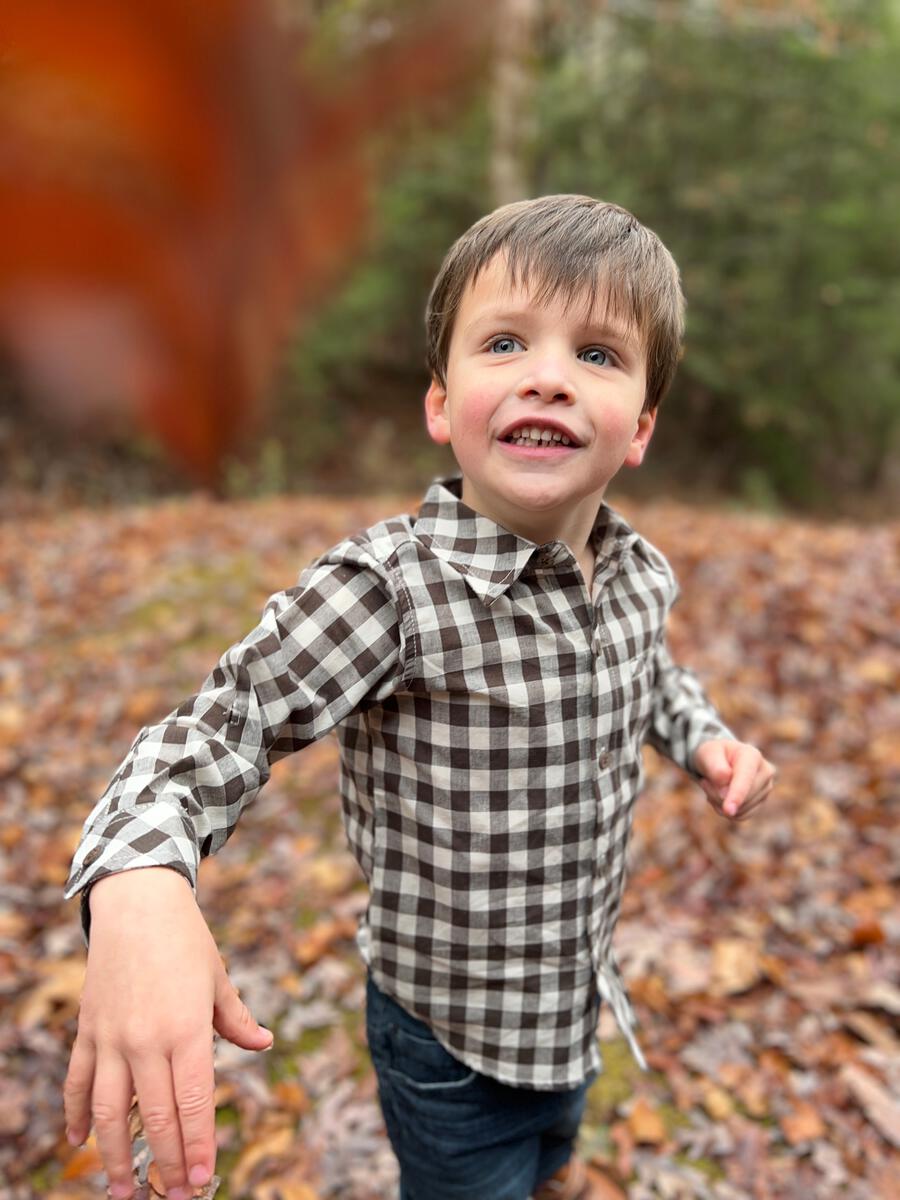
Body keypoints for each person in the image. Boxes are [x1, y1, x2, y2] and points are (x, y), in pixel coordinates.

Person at [63, 194, 775, 1200]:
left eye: (600, 356)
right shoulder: (389, 593)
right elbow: (217, 730)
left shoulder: (636, 574)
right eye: (506, 342)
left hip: (572, 1002)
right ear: (441, 405)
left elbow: (651, 672)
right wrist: (137, 879)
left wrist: (705, 741)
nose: (548, 377)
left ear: (642, 428)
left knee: (550, 1157)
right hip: (445, 1039)